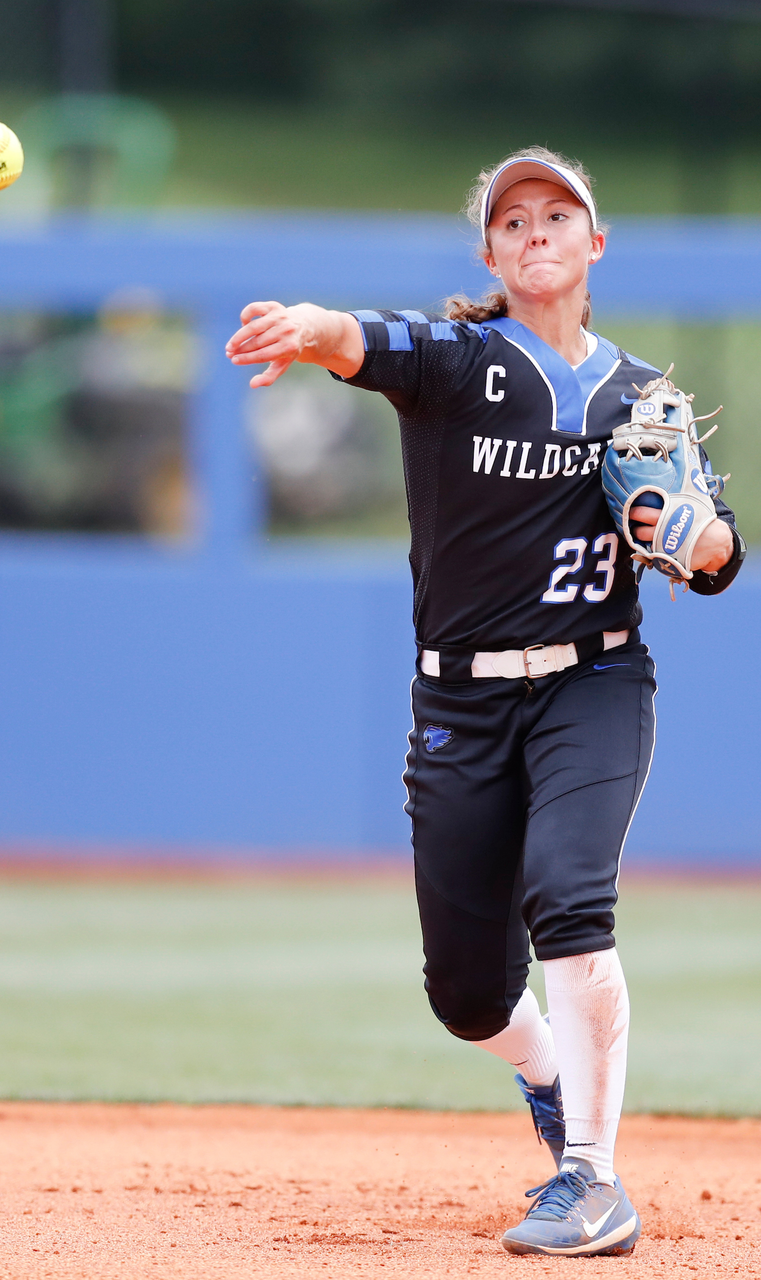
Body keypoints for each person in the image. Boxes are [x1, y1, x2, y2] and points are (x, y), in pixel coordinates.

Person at [225, 146, 745, 1258]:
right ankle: (546, 1072)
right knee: (465, 994)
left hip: (594, 681)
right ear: (492, 253)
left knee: (568, 891)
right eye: (515, 220)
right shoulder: (457, 361)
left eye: (560, 214)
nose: (538, 231)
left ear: (594, 244)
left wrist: (701, 541)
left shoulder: (638, 397)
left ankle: (593, 1179)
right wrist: (299, 324)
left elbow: (708, 545)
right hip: (459, 701)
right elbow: (355, 336)